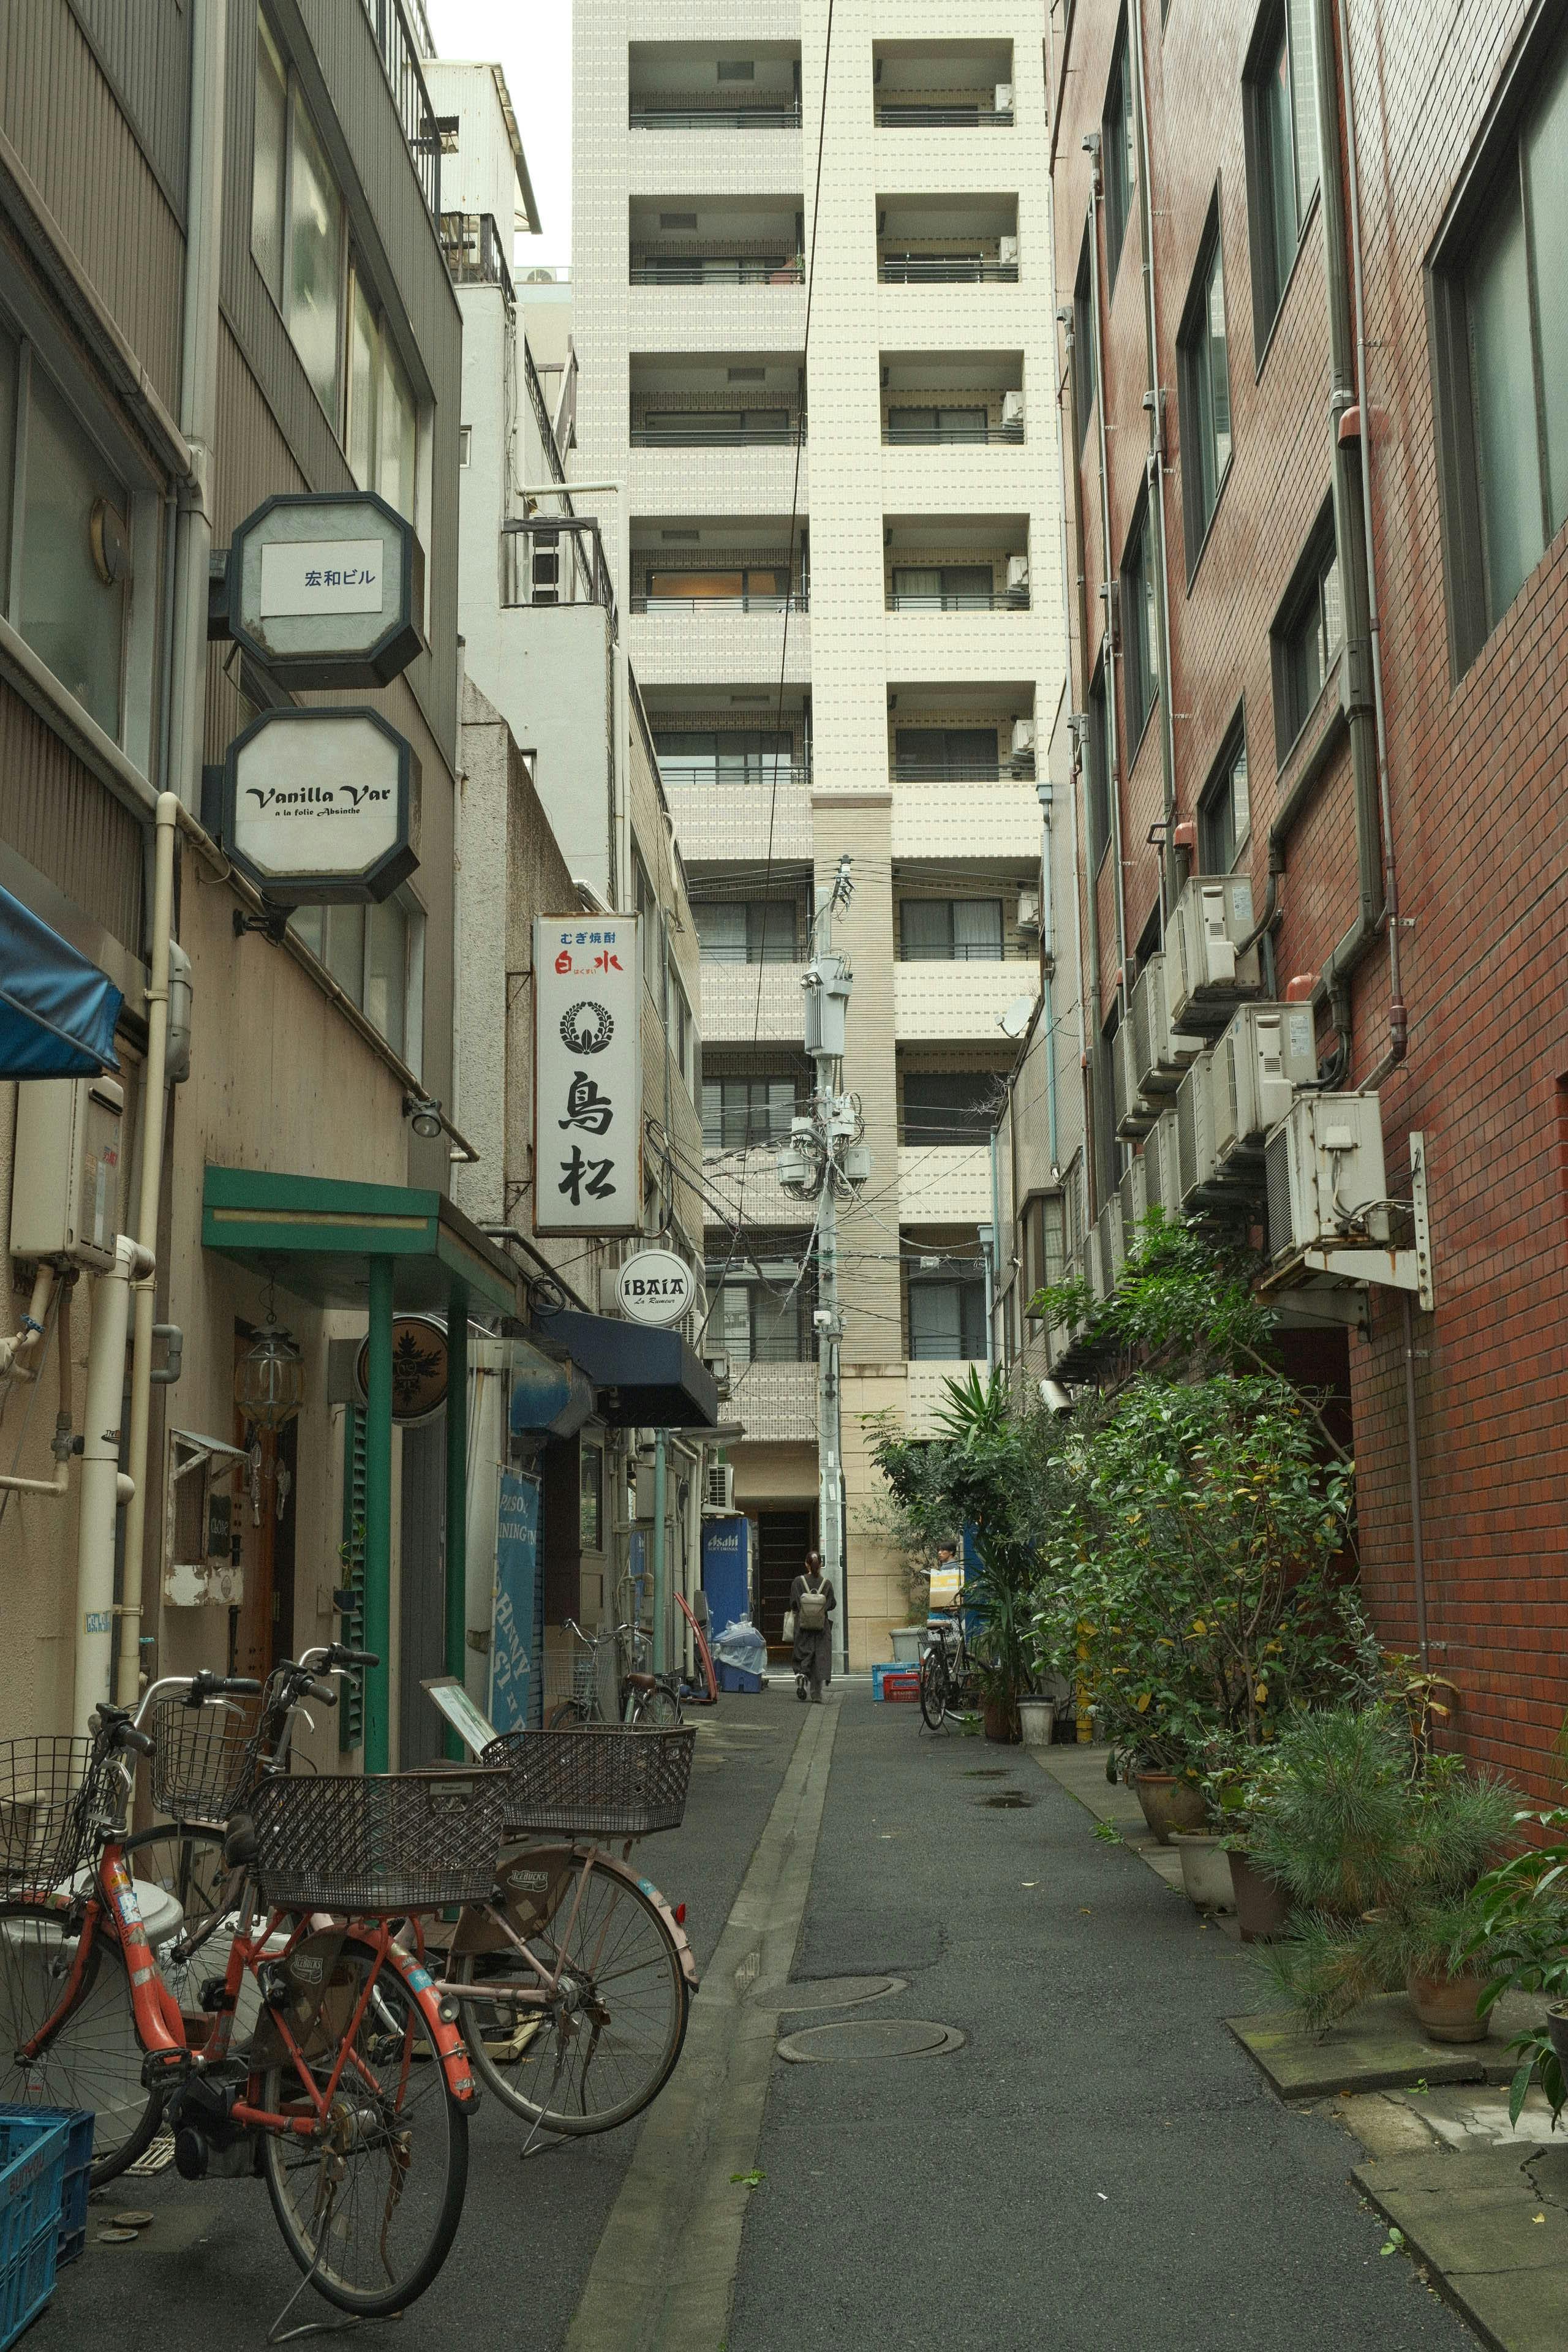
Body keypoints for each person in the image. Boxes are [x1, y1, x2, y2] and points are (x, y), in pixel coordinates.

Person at [790, 1551, 835, 1704]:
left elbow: (794, 1604)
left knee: (803, 1654)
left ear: (806, 1564)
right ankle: (816, 1694)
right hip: (821, 1628)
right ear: (821, 1564)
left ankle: (802, 1676)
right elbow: (832, 1604)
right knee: (819, 1658)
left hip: (803, 1627)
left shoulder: (798, 1582)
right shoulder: (827, 1584)